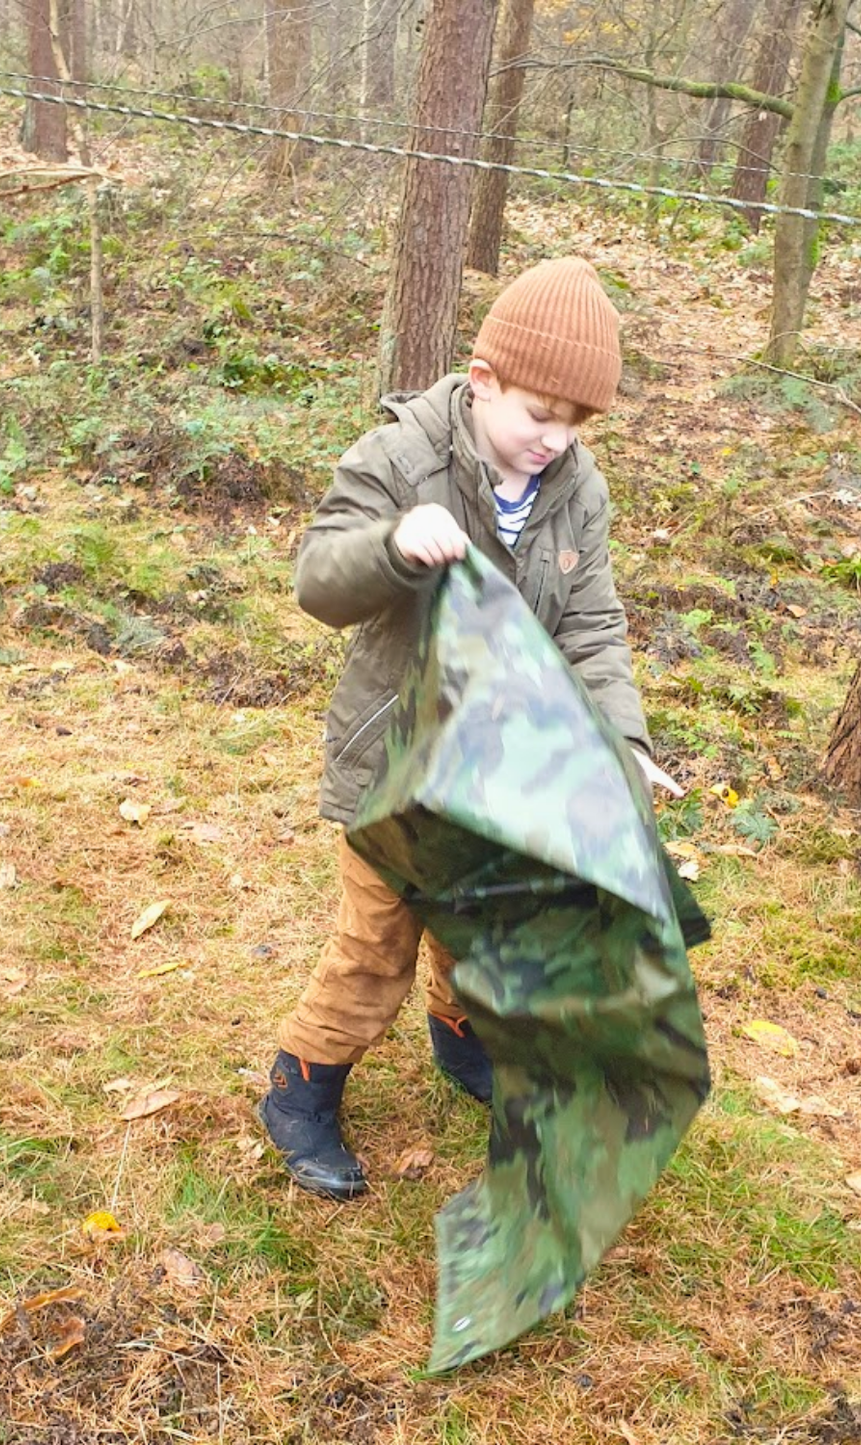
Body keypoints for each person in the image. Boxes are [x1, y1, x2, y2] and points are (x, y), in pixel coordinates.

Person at [260, 256, 654, 1199]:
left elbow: (591, 626)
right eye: (538, 416)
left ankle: (461, 1035)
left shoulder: (575, 491)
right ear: (482, 383)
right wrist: (394, 548)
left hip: (503, 769)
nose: (555, 441)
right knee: (379, 941)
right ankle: (302, 1084)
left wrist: (623, 741)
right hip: (398, 765)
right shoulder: (404, 457)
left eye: (576, 423)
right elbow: (318, 580)